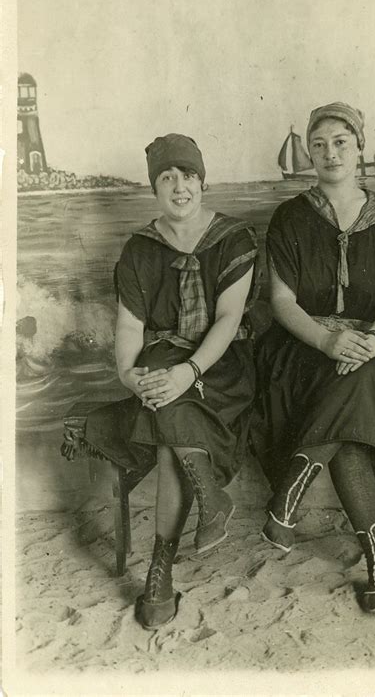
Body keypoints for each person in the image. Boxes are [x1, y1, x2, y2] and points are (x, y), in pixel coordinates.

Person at [85, 133, 258, 629]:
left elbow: (228, 319)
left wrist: (190, 371)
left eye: (188, 175)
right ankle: (207, 501)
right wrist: (126, 373)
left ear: (203, 182)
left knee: (167, 408)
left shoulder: (233, 238)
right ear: (154, 188)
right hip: (163, 363)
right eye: (166, 177)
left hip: (221, 364)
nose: (178, 186)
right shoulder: (141, 248)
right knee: (162, 402)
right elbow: (130, 327)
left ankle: (160, 572)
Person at [255, 103, 375, 614]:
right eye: (319, 143)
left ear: (360, 146)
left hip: (371, 348)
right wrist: (326, 342)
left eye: (341, 141)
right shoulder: (290, 216)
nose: (330, 152)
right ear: (308, 151)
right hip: (303, 350)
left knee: (360, 383)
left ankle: (289, 497)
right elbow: (281, 302)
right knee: (351, 412)